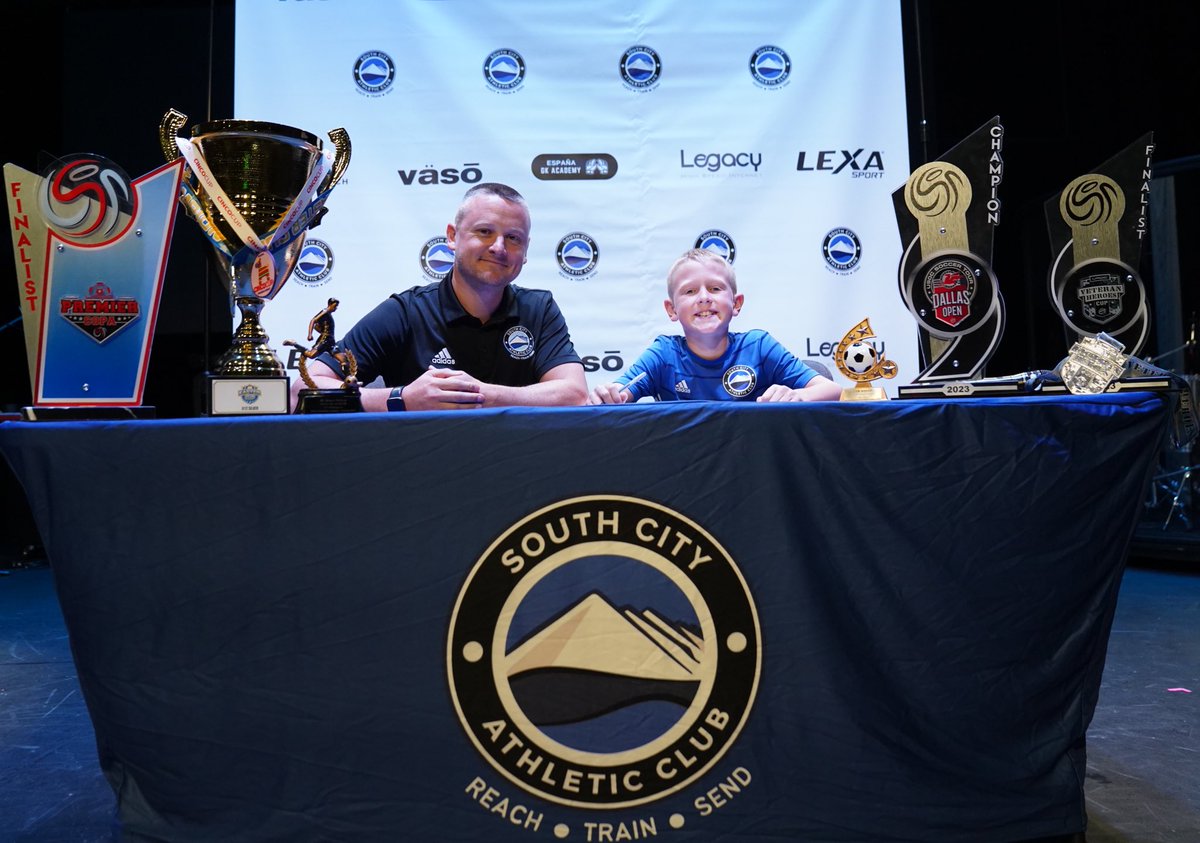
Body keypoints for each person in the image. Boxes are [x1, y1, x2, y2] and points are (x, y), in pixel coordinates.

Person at [293, 183, 588, 411]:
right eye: (484, 231)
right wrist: (402, 398)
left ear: (525, 251)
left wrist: (481, 394)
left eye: (513, 238)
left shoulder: (539, 308)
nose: (499, 247)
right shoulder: (405, 312)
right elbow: (301, 392)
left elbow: (574, 394)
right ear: (452, 236)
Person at [588, 248, 842, 404]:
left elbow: (832, 390)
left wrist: (796, 395)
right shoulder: (663, 354)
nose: (704, 297)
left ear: (736, 303)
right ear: (671, 310)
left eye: (715, 288)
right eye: (689, 291)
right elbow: (619, 396)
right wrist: (608, 395)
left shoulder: (758, 346)